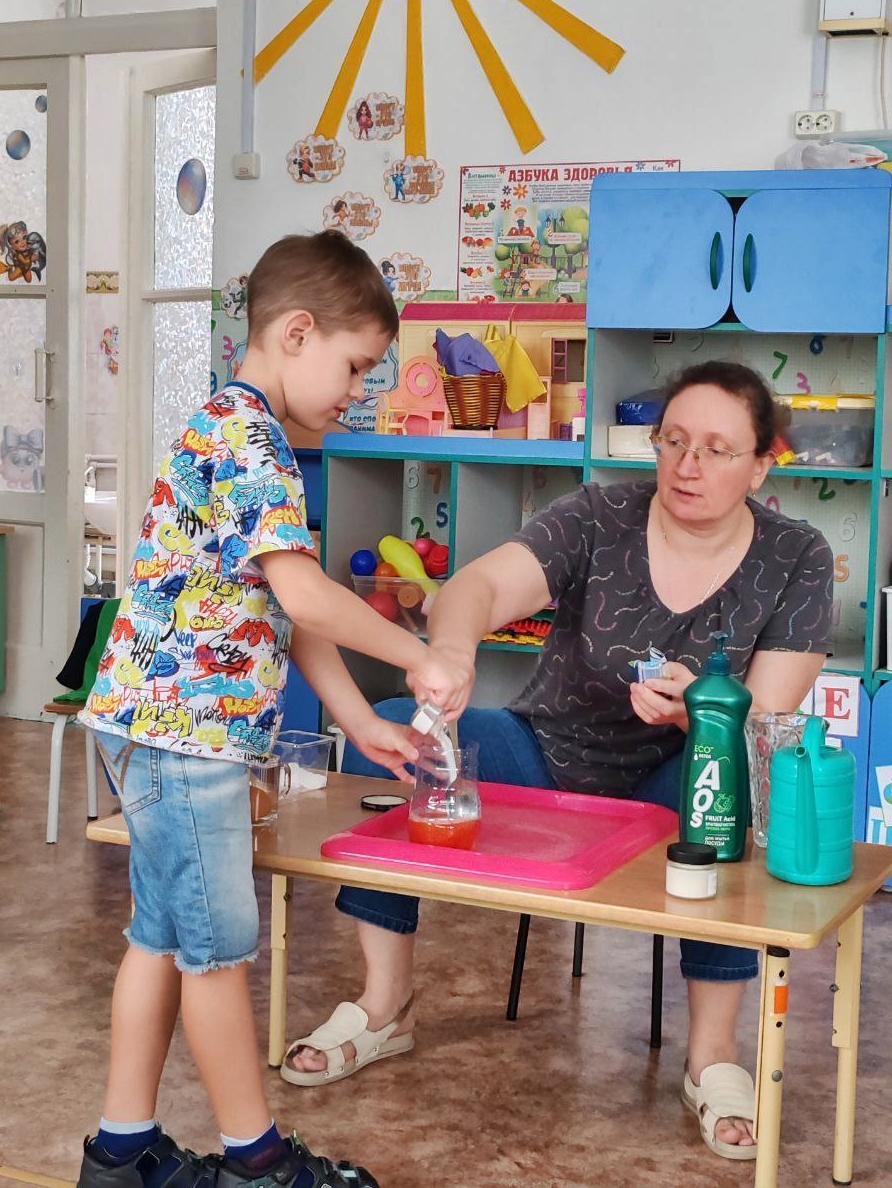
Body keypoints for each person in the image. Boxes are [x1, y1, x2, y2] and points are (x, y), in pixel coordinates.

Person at [281, 360, 834, 1164]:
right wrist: (451, 653)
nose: (688, 465)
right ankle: (384, 1004)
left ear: (760, 465)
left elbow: (767, 722)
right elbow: (476, 587)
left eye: (717, 450)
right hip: (546, 757)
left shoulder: (796, 555)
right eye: (674, 441)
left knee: (724, 796)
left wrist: (701, 710)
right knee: (401, 732)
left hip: (677, 779)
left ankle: (712, 1054)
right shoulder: (599, 514)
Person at [75, 230, 466, 1188]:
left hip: (160, 729)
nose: (359, 391)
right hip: (188, 737)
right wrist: (420, 655)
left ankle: (121, 1152)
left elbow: (287, 614)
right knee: (215, 953)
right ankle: (259, 1165)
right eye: (356, 366)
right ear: (296, 332)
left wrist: (362, 721)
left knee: (162, 938)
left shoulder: (238, 429)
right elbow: (305, 599)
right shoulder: (250, 439)